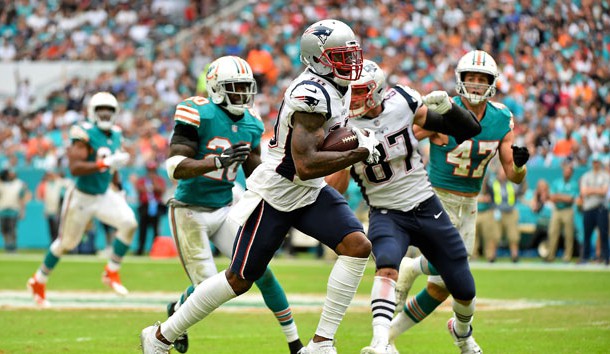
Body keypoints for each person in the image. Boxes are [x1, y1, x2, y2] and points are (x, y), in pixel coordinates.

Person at [140, 19, 379, 354]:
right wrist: (359, 151)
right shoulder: (309, 93)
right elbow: (306, 164)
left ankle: (321, 343)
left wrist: (356, 144)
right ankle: (160, 336)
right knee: (238, 279)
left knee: (357, 246)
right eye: (341, 55)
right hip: (279, 193)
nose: (350, 62)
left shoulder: (341, 85)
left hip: (308, 191)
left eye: (351, 53)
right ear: (317, 58)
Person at [329, 59, 483, 354]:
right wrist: (345, 155)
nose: (353, 98)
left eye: (360, 92)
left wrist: (450, 108)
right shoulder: (342, 125)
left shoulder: (402, 101)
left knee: (463, 287)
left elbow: (468, 130)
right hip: (386, 211)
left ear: (376, 91)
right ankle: (380, 342)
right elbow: (334, 186)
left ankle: (462, 334)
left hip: (425, 203)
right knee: (386, 267)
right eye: (352, 91)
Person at [156, 55, 303, 354]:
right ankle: (172, 318)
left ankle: (295, 343)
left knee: (260, 269)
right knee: (209, 289)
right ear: (216, 88)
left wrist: (278, 208)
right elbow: (174, 166)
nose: (242, 94)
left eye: (245, 87)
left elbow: (257, 175)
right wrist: (215, 161)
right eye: (234, 87)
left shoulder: (251, 123)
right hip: (189, 210)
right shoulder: (198, 112)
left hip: (224, 209)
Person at [393, 50, 529, 353]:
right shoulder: (444, 111)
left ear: (492, 83)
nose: (477, 85)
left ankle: (390, 335)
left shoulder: (501, 118)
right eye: (472, 78)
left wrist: (520, 165)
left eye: (483, 80)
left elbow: (513, 175)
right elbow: (403, 140)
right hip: (437, 198)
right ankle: (460, 332)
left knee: (441, 288)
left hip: (470, 203)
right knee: (455, 273)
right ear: (461, 80)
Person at [27, 92, 137, 307]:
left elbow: (112, 166)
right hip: (81, 196)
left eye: (109, 111)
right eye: (101, 110)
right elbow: (75, 168)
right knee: (66, 243)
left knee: (129, 223)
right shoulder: (83, 132)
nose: (105, 114)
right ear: (92, 112)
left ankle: (111, 271)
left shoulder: (115, 134)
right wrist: (105, 164)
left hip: (104, 194)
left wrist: (119, 186)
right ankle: (38, 281)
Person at [579, 154, 610, 265]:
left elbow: (604, 191)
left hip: (601, 208)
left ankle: (606, 258)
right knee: (587, 234)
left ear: (600, 163)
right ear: (592, 163)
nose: (596, 163)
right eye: (594, 161)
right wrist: (597, 190)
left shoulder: (606, 176)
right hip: (589, 208)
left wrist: (590, 190)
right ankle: (584, 258)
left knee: (603, 234)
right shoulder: (586, 176)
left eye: (597, 162)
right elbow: (583, 192)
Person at [546, 161, 578, 262]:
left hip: (567, 210)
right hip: (557, 210)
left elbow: (571, 199)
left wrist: (559, 196)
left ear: (571, 173)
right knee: (552, 232)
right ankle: (550, 255)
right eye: (565, 170)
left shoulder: (574, 184)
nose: (567, 173)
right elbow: (551, 197)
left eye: (569, 171)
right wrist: (563, 197)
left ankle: (567, 256)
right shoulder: (557, 182)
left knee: (569, 234)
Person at [135, 160, 166, 255]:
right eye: (150, 170)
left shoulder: (159, 179)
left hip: (156, 206)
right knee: (142, 230)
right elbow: (139, 189)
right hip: (145, 206)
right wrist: (150, 187)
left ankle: (155, 250)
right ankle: (140, 250)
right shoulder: (142, 180)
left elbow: (160, 189)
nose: (151, 172)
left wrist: (154, 181)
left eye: (153, 170)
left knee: (156, 230)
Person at [0, 168, 31, 252]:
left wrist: (23, 211)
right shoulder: (2, 184)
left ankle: (13, 246)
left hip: (14, 209)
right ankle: (7, 244)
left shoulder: (19, 184)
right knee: (4, 229)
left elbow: (22, 198)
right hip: (3, 210)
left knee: (12, 229)